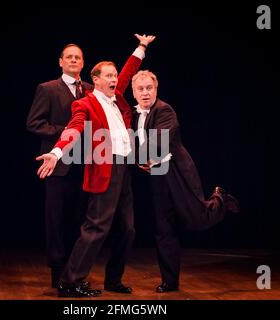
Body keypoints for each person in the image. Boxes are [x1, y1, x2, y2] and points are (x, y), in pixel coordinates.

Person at [36, 34, 156, 297]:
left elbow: (127, 73)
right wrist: (56, 152)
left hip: (124, 169)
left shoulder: (117, 100)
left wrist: (141, 47)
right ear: (96, 80)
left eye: (115, 76)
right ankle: (69, 281)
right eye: (109, 76)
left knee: (128, 229)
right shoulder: (86, 102)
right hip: (105, 169)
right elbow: (73, 128)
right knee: (97, 227)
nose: (114, 80)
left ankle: (113, 280)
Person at [131, 70, 240, 293]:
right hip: (158, 176)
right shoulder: (134, 115)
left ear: (156, 89)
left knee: (197, 218)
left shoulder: (164, 110)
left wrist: (140, 157)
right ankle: (170, 282)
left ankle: (220, 197)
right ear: (133, 92)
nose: (145, 93)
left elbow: (158, 141)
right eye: (140, 89)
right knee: (164, 228)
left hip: (177, 172)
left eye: (149, 88)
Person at [26, 44, 93, 288]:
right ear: (61, 62)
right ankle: (57, 271)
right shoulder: (48, 89)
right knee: (56, 219)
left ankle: (74, 273)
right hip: (57, 164)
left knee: (80, 219)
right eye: (69, 57)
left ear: (83, 63)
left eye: (78, 57)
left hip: (85, 164)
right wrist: (62, 131)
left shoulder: (90, 90)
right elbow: (34, 123)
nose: (74, 60)